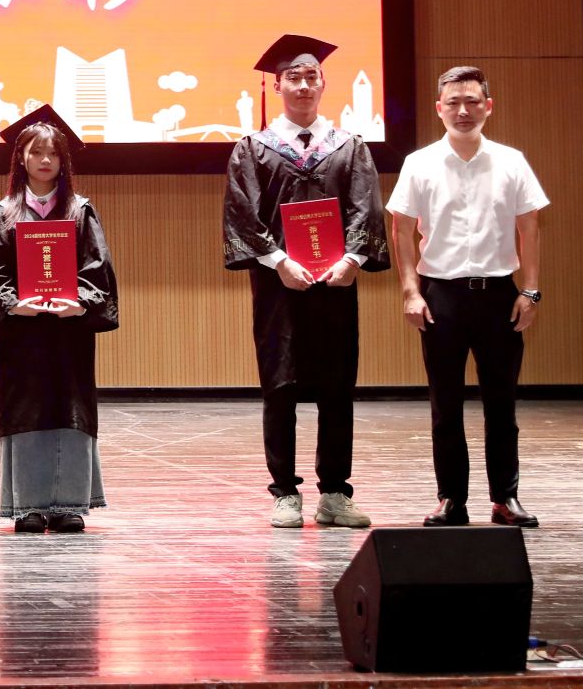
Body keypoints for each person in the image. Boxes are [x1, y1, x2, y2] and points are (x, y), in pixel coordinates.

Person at [222, 34, 387, 529]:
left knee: (337, 387)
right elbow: (243, 213)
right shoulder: (253, 148)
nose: (303, 85)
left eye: (311, 76)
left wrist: (352, 260)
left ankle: (334, 493)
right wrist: (278, 261)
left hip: (336, 283)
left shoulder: (348, 146)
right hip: (279, 286)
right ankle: (285, 493)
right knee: (280, 386)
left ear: (323, 83)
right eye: (292, 77)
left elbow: (366, 206)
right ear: (277, 86)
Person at [387, 64, 548, 528]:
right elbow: (400, 230)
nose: (463, 111)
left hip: (499, 295)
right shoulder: (419, 163)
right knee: (446, 405)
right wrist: (411, 291)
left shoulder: (511, 161)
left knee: (502, 404)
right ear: (439, 109)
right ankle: (451, 499)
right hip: (441, 297)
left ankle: (505, 499)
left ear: (488, 107)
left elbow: (530, 228)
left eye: (472, 102)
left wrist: (531, 291)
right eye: (453, 103)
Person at [0, 106, 118, 533]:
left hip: (68, 331)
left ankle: (70, 504)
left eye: (53, 153)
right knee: (26, 409)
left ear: (63, 161)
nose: (44, 160)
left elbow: (98, 270)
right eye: (36, 152)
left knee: (69, 407)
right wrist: (12, 303)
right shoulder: (3, 213)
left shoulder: (80, 210)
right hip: (23, 333)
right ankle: (28, 506)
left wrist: (82, 303)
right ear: (21, 158)